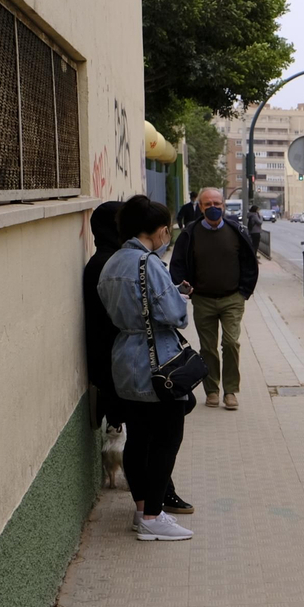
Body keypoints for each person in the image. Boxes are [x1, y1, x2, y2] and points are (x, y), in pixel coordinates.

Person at [84, 201, 194, 515]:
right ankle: (153, 516)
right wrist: (179, 297)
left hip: (124, 359)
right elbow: (174, 314)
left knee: (139, 438)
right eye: (167, 229)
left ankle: (142, 509)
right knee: (166, 440)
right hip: (154, 360)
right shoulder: (149, 263)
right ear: (160, 230)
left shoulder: (111, 263)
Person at [168, 187, 258, 410]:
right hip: (203, 300)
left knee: (230, 343)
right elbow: (177, 264)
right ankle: (212, 391)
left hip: (232, 299)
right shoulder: (190, 233)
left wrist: (244, 291)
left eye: (217, 204)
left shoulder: (236, 230)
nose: (213, 208)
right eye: (208, 204)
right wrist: (184, 286)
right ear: (200, 207)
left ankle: (230, 391)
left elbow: (249, 262)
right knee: (207, 348)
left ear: (224, 206)